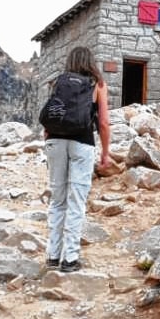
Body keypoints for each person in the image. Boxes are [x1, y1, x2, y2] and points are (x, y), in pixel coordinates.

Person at [44, 46, 110, 273]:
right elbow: (103, 123)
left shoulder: (57, 83)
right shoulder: (97, 84)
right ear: (90, 62)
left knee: (57, 199)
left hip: (54, 142)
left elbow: (51, 116)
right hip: (82, 143)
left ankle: (52, 255)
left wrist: (49, 142)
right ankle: (70, 258)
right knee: (76, 201)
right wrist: (105, 152)